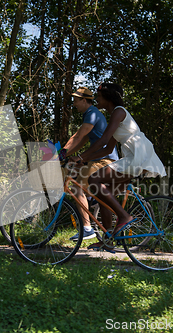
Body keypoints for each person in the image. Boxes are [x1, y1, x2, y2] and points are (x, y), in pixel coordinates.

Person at [70, 83, 166, 248]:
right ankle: (107, 241)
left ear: (108, 98)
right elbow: (107, 148)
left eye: (99, 97)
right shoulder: (115, 115)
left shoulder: (119, 112)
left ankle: (124, 216)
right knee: (102, 196)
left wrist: (81, 156)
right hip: (134, 157)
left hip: (137, 156)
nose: (96, 100)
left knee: (94, 180)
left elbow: (103, 140)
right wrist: (82, 159)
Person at [59, 86, 119, 241]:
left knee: (76, 186)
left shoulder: (92, 113)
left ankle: (87, 228)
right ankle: (91, 200)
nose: (74, 104)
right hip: (97, 159)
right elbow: (82, 140)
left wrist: (61, 154)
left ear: (84, 100)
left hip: (105, 160)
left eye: (76, 100)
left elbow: (78, 137)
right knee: (73, 175)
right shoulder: (90, 115)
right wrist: (69, 156)